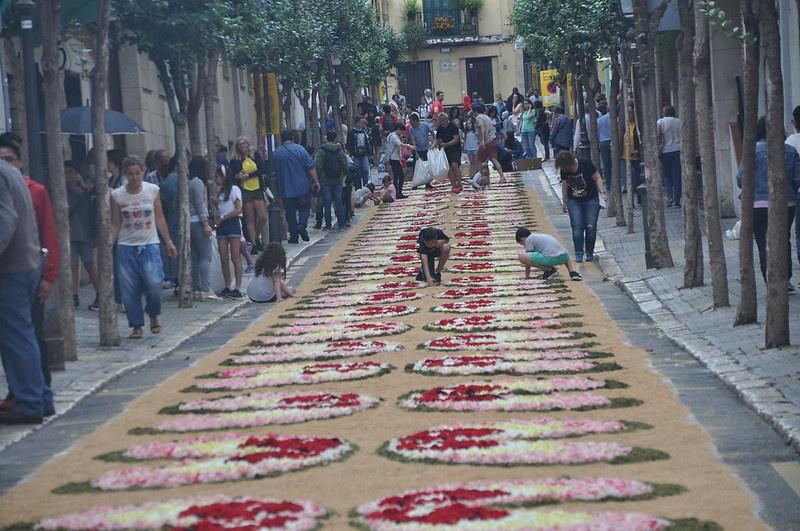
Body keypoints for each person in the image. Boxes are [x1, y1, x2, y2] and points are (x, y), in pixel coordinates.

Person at [0, 136, 57, 420]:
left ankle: (29, 401)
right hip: (27, 263)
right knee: (25, 335)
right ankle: (37, 397)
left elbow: (6, 220)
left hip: (12, 267)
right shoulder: (12, 173)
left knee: (17, 336)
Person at [111, 156, 176, 339]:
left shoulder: (152, 191)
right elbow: (115, 224)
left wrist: (169, 241)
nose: (134, 177)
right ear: (125, 174)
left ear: (143, 172)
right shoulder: (117, 195)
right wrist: (110, 243)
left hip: (150, 245)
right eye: (130, 174)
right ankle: (136, 325)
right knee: (130, 289)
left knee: (154, 283)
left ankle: (154, 314)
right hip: (126, 246)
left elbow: (160, 218)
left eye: (137, 173)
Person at [737, 116, 800, 287]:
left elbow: (740, 178)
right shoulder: (790, 151)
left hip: (758, 205)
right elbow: (797, 179)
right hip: (786, 204)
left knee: (763, 242)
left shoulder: (752, 151)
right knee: (783, 239)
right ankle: (785, 279)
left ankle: (770, 280)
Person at [556, 150, 606, 263]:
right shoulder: (564, 171)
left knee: (590, 226)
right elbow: (564, 185)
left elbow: (597, 177)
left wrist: (602, 192)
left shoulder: (585, 164)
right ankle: (578, 252)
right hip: (574, 201)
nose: (564, 169)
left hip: (591, 199)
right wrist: (564, 201)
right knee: (577, 226)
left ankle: (589, 252)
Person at [274, 130, 320, 243]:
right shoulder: (300, 149)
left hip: (285, 188)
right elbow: (310, 167)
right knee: (305, 207)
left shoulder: (276, 153)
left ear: (281, 139)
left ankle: (294, 236)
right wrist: (316, 181)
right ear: (293, 138)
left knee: (290, 213)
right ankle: (302, 225)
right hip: (302, 186)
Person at [65, 160, 99, 310]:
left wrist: (94, 235)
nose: (67, 176)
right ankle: (74, 295)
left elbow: (91, 214)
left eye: (70, 172)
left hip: (85, 234)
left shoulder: (85, 191)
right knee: (72, 265)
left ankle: (100, 293)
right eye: (65, 173)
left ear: (76, 173)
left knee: (90, 265)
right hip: (69, 234)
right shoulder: (63, 191)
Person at [230, 136, 268, 253]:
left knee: (262, 216)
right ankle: (254, 243)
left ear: (248, 144)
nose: (243, 146)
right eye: (240, 144)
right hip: (245, 190)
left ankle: (256, 236)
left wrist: (249, 175)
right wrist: (238, 176)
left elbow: (261, 170)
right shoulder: (235, 160)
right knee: (250, 218)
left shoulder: (255, 155)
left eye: (244, 143)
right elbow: (232, 175)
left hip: (257, 188)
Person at [187, 156, 217, 301]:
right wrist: (205, 224)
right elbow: (200, 205)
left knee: (195, 256)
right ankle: (205, 289)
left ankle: (196, 288)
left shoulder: (189, 182)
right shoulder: (197, 183)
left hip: (189, 222)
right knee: (206, 255)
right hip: (198, 221)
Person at [213, 164, 244, 298]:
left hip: (231, 223)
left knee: (235, 256)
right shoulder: (218, 191)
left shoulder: (235, 189)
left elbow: (238, 209)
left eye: (218, 176)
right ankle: (228, 285)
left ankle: (237, 286)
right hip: (221, 225)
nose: (216, 179)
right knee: (224, 257)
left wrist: (223, 217)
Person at [515, 227, 582, 281]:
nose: (524, 246)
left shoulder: (529, 240)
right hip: (564, 258)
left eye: (522, 244)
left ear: (522, 239)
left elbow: (527, 260)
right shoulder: (538, 237)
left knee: (522, 257)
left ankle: (549, 270)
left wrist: (527, 277)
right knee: (561, 250)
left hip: (551, 259)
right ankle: (572, 272)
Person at [315, 130, 349, 230]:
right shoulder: (339, 150)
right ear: (335, 139)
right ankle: (342, 224)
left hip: (325, 181)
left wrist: (320, 177)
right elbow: (345, 164)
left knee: (327, 202)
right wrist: (343, 175)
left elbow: (318, 165)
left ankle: (328, 224)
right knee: (339, 202)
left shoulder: (321, 151)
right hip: (338, 179)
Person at [657, 105, 682, 207]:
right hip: (677, 150)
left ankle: (669, 196)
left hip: (665, 151)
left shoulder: (660, 122)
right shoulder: (679, 121)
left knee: (666, 175)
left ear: (664, 112)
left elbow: (658, 135)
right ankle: (677, 199)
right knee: (677, 175)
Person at [475, 102, 505, 182]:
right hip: (493, 140)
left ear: (475, 111)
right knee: (494, 159)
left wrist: (482, 141)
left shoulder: (479, 118)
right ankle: (502, 176)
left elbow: (482, 128)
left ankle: (479, 177)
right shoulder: (486, 117)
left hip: (486, 142)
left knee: (479, 160)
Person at [433, 112, 463, 192]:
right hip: (445, 150)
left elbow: (456, 139)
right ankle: (453, 185)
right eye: (440, 120)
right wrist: (433, 146)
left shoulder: (453, 126)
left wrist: (446, 144)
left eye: (442, 120)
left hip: (455, 148)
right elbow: (438, 140)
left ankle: (459, 183)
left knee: (455, 164)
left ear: (446, 119)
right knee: (448, 168)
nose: (441, 121)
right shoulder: (439, 129)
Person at [386, 122, 416, 199]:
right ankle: (397, 193)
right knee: (399, 176)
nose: (402, 133)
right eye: (401, 131)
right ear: (398, 129)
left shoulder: (391, 135)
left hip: (394, 158)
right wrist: (409, 146)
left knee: (397, 176)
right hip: (393, 158)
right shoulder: (394, 136)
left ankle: (397, 193)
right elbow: (399, 144)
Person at [346, 115, 372, 189]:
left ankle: (365, 185)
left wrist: (369, 152)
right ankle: (358, 187)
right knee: (357, 172)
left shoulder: (363, 132)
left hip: (364, 154)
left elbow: (366, 143)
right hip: (355, 155)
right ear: (357, 123)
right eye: (361, 122)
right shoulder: (351, 133)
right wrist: (351, 154)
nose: (362, 124)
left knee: (365, 170)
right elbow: (349, 144)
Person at [597, 109, 613, 192]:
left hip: (603, 142)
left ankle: (609, 184)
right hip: (612, 141)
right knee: (614, 163)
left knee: (606, 165)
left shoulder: (599, 120)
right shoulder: (614, 118)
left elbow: (597, 132)